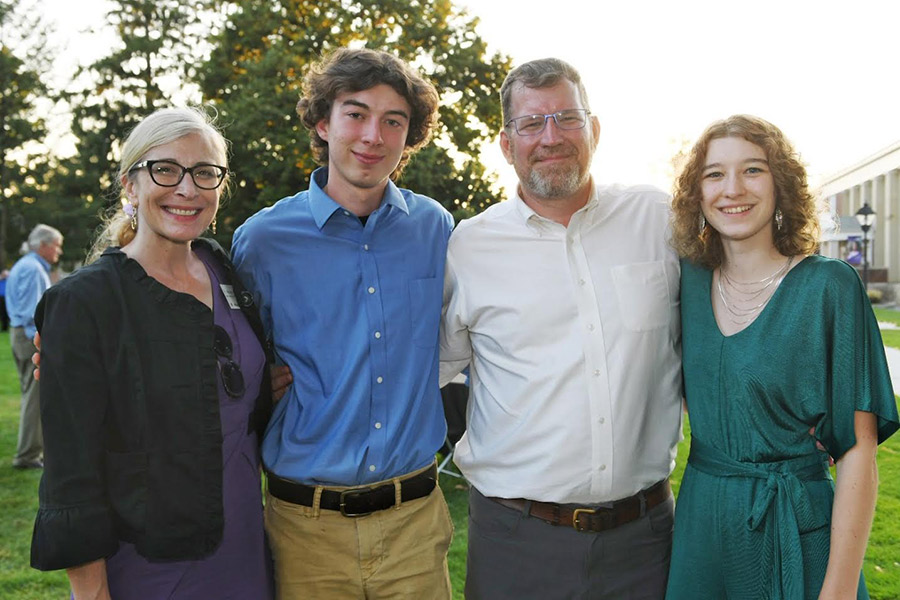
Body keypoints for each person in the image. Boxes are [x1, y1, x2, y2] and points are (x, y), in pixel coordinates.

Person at [439, 58, 682, 599]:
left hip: (646, 542)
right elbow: (422, 371)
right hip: (515, 541)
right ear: (507, 145)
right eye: (531, 123)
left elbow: (728, 313)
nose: (551, 137)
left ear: (594, 130)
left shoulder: (658, 220)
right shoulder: (468, 247)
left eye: (567, 118)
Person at [231, 48, 454, 599]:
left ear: (409, 136)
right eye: (356, 114)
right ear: (322, 123)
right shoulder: (261, 241)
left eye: (393, 121)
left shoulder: (436, 229)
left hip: (414, 525)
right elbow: (231, 357)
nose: (373, 136)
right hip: (305, 530)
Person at [30, 107, 274, 600]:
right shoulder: (86, 301)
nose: (187, 188)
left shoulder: (224, 270)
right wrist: (92, 593)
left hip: (247, 549)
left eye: (204, 173)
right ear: (130, 185)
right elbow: (71, 472)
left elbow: (230, 384)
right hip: (151, 566)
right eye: (165, 169)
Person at [665, 114, 900, 599]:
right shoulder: (687, 280)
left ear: (781, 185)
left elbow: (858, 453)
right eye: (714, 174)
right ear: (696, 193)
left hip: (797, 527)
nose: (733, 189)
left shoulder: (829, 287)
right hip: (701, 531)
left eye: (753, 169)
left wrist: (837, 591)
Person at [7, 224, 62, 470]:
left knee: (31, 395)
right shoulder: (33, 269)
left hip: (20, 334)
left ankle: (30, 452)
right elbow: (33, 314)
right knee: (35, 398)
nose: (59, 251)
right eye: (57, 245)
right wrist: (44, 340)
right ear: (43, 245)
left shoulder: (25, 265)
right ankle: (28, 455)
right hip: (29, 337)